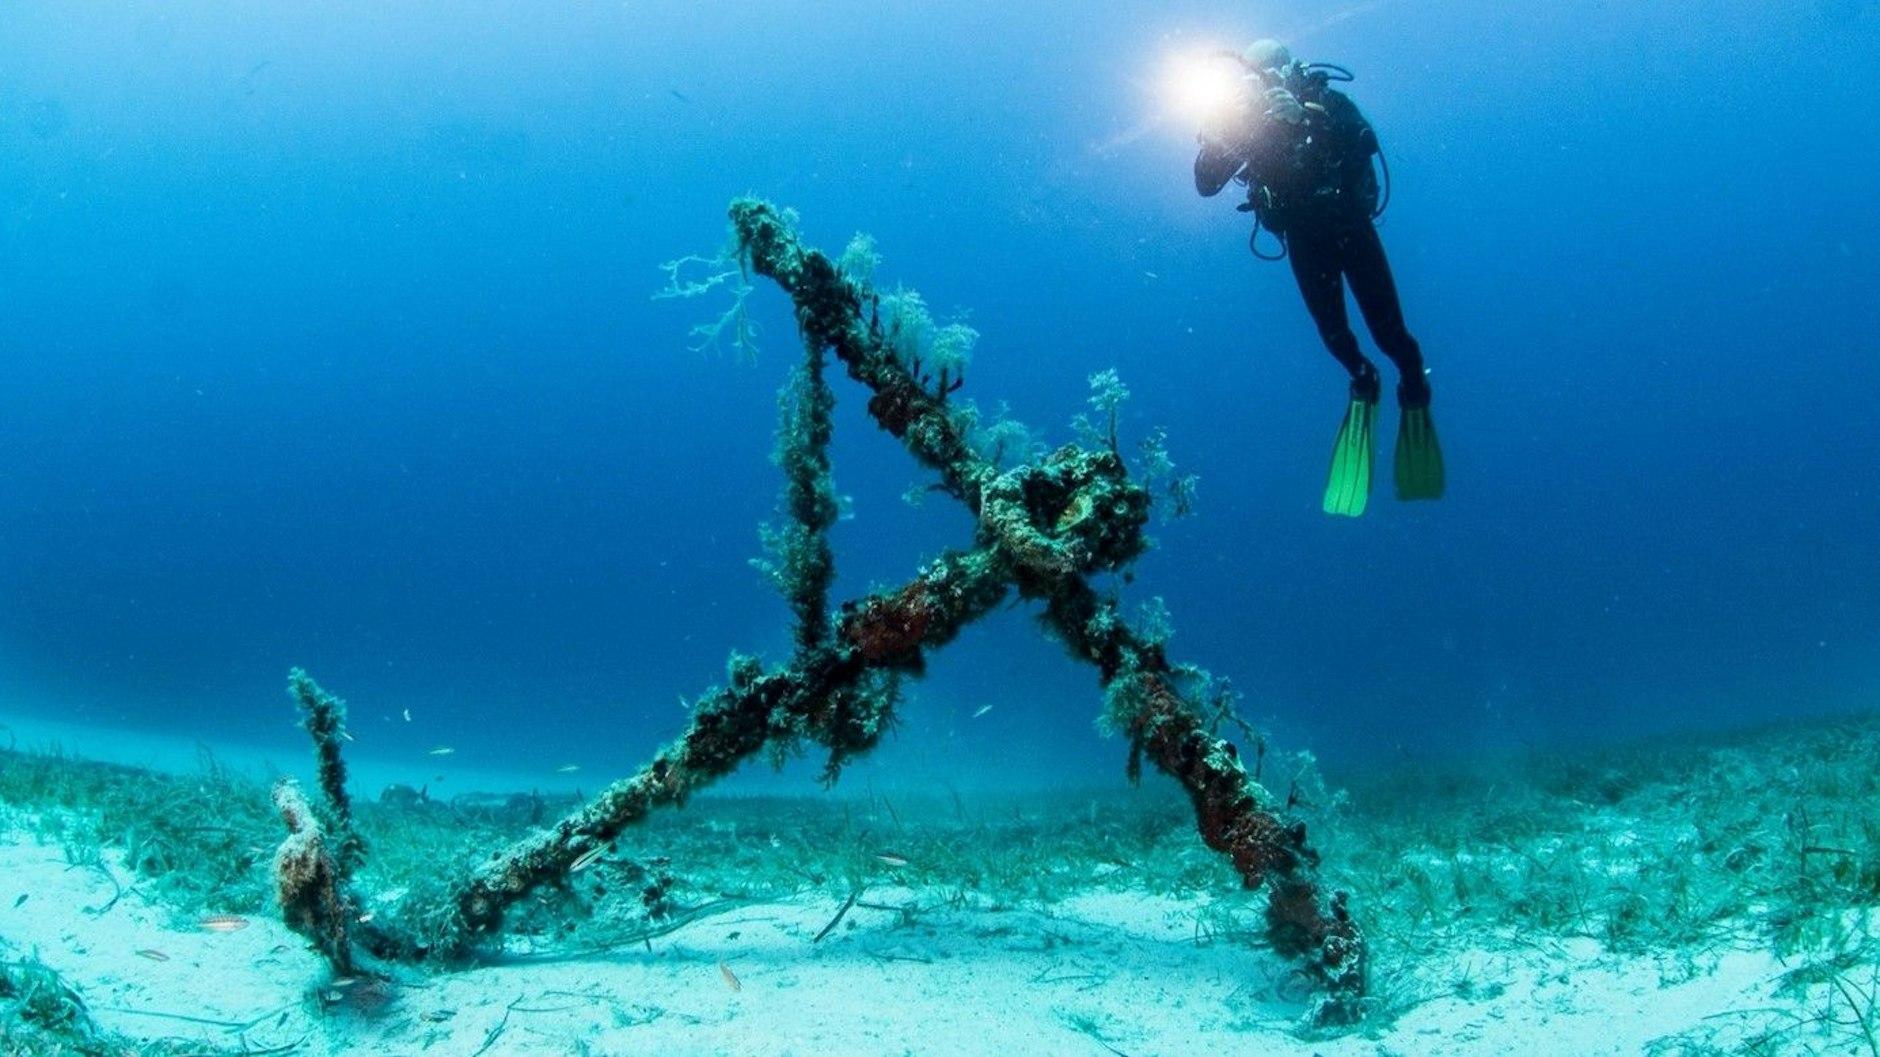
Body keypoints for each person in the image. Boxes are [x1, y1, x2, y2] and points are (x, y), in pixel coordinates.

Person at [1194, 39, 1443, 516]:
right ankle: (1363, 378)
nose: (1264, 84)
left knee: (1389, 332)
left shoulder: (1323, 101)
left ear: (1291, 69)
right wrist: (1220, 132)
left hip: (1349, 224)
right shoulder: (1245, 124)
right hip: (1305, 239)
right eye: (1254, 78)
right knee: (1334, 336)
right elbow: (1206, 184)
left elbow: (1365, 141)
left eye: (1271, 73)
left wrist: (1308, 121)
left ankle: (1412, 381)